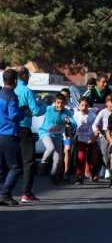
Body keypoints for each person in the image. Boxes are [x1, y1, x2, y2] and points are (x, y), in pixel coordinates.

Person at [14, 67, 46, 203]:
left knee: (11, 162)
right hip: (24, 128)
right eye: (29, 75)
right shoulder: (27, 91)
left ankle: (6, 191)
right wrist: (43, 105)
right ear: (25, 75)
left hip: (9, 129)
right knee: (28, 162)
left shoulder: (11, 90)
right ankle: (26, 193)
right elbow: (36, 111)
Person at [38, 92, 76, 184]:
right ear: (55, 102)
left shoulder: (67, 112)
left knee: (57, 159)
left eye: (62, 103)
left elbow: (74, 123)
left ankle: (53, 175)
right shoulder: (49, 109)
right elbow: (40, 109)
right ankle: (42, 163)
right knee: (50, 148)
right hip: (45, 133)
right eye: (58, 102)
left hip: (58, 136)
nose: (60, 105)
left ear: (65, 103)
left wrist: (69, 122)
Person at [0, 69, 25, 206]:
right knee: (15, 167)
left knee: (2, 168)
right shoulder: (11, 96)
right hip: (9, 135)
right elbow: (14, 115)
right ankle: (5, 194)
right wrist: (24, 112)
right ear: (15, 80)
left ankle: (2, 195)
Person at [73, 97, 96, 185]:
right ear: (79, 106)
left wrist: (94, 138)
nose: (84, 107)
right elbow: (72, 126)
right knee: (81, 157)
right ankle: (79, 176)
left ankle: (90, 172)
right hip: (80, 139)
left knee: (90, 157)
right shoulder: (76, 115)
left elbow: (95, 127)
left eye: (86, 105)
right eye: (82, 105)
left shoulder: (92, 115)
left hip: (90, 139)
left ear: (88, 106)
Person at [92, 95, 112, 180]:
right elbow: (95, 124)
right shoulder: (103, 112)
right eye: (111, 102)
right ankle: (108, 168)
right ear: (107, 103)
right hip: (104, 136)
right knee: (105, 155)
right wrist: (96, 131)